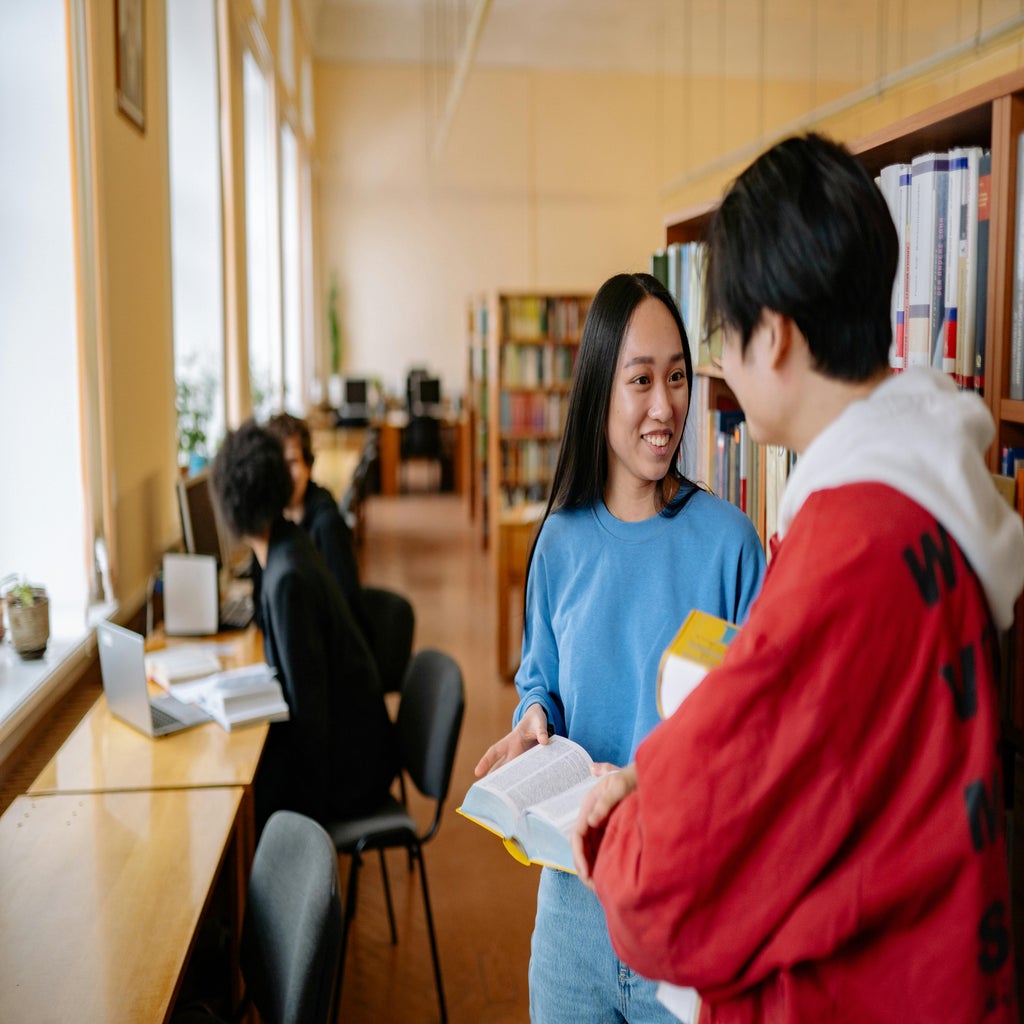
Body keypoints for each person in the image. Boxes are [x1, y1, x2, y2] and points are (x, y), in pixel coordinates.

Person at [573, 134, 1024, 1022]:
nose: (715, 373)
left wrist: (623, 812)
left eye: (720, 342)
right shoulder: (935, 500)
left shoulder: (844, 554)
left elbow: (654, 890)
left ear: (772, 337)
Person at [474, 272, 766, 1023]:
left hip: (685, 905)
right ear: (600, 389)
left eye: (677, 378)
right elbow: (540, 677)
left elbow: (755, 733)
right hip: (573, 905)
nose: (664, 407)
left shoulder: (729, 546)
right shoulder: (560, 544)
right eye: (640, 381)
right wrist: (535, 715)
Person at [210, 419, 398, 835]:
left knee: (238, 813)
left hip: (352, 769)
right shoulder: (287, 544)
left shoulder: (287, 577)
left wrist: (302, 822)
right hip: (355, 743)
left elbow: (309, 715)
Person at [259, 412, 372, 643]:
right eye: (277, 464)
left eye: (291, 462)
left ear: (308, 464)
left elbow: (345, 613)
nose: (283, 474)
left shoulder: (326, 524)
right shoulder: (272, 521)